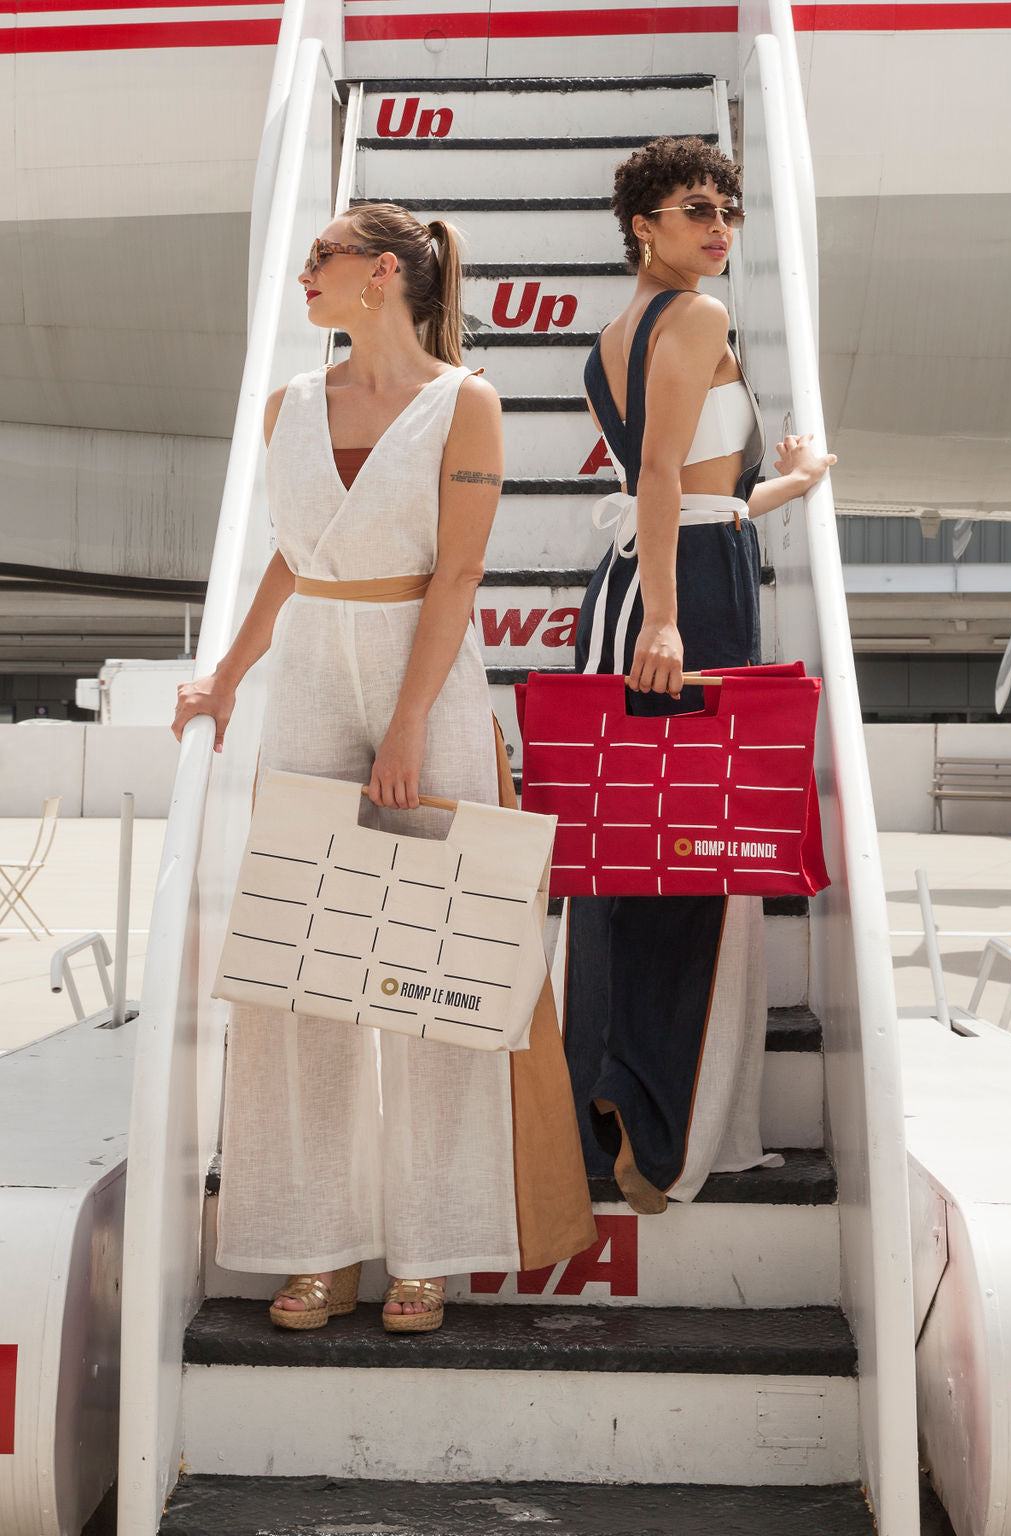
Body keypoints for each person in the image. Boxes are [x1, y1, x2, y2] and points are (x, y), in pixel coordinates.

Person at [174, 202, 595, 1333]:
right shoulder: (290, 406)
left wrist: (407, 724)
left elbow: (457, 577)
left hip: (430, 680)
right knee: (300, 976)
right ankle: (315, 1245)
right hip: (310, 674)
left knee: (434, 974)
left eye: (324, 256)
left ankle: (432, 1246)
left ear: (386, 275)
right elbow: (287, 555)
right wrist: (227, 674)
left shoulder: (467, 402)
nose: (305, 271)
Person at [564, 137, 836, 1215]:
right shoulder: (700, 319)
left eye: (726, 207)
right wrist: (674, 620)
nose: (718, 225)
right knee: (690, 848)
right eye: (692, 208)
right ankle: (655, 1114)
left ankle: (612, 1095)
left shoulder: (607, 340)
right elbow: (670, 478)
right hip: (681, 596)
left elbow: (687, 493)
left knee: (634, 845)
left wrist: (795, 483)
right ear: (643, 224)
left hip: (648, 576)